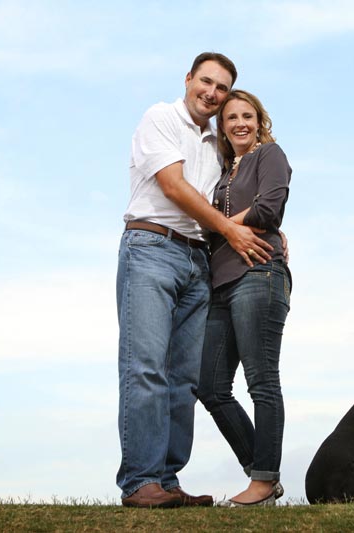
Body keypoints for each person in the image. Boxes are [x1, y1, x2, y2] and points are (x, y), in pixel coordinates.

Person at [116, 53, 274, 509]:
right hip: (151, 249)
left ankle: (165, 480)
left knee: (183, 378)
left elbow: (224, 207)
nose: (212, 92)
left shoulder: (216, 143)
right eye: (206, 81)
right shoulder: (160, 117)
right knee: (146, 367)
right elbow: (173, 186)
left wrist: (265, 227)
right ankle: (140, 481)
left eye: (221, 88)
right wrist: (229, 230)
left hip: (197, 260)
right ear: (188, 79)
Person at [197, 90, 292, 507]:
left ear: (259, 120)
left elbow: (269, 209)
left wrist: (218, 225)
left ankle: (263, 480)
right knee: (210, 385)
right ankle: (263, 472)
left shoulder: (268, 155)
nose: (239, 123)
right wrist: (224, 226)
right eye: (231, 117)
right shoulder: (222, 172)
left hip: (259, 273)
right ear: (222, 125)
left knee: (261, 381)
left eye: (247, 116)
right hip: (221, 282)